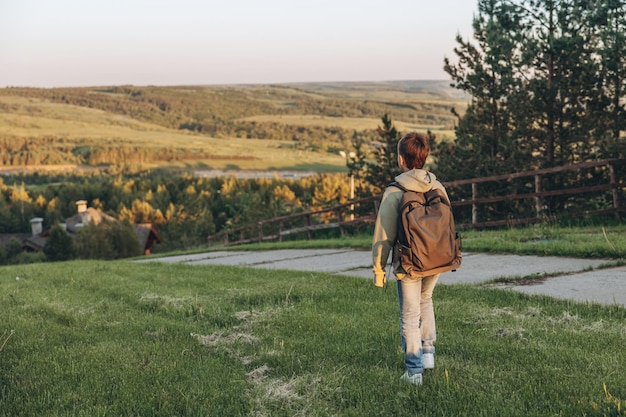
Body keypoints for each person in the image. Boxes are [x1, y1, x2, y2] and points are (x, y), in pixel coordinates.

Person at [371, 131, 450, 386]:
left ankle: (414, 372)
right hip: (437, 257)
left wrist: (379, 270)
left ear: (401, 160)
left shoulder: (395, 191)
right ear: (424, 158)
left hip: (409, 262)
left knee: (409, 315)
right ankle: (428, 355)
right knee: (426, 301)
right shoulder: (438, 186)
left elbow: (384, 235)